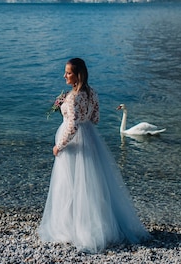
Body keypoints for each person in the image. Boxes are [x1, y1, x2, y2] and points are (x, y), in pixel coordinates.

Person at [37, 58, 150, 252]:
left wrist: (59, 146)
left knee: (70, 185)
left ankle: (73, 229)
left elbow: (72, 127)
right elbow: (95, 119)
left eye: (68, 73)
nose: (64, 75)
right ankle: (101, 226)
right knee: (92, 186)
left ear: (77, 75)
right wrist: (76, 112)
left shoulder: (72, 97)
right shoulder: (92, 93)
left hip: (74, 144)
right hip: (90, 138)